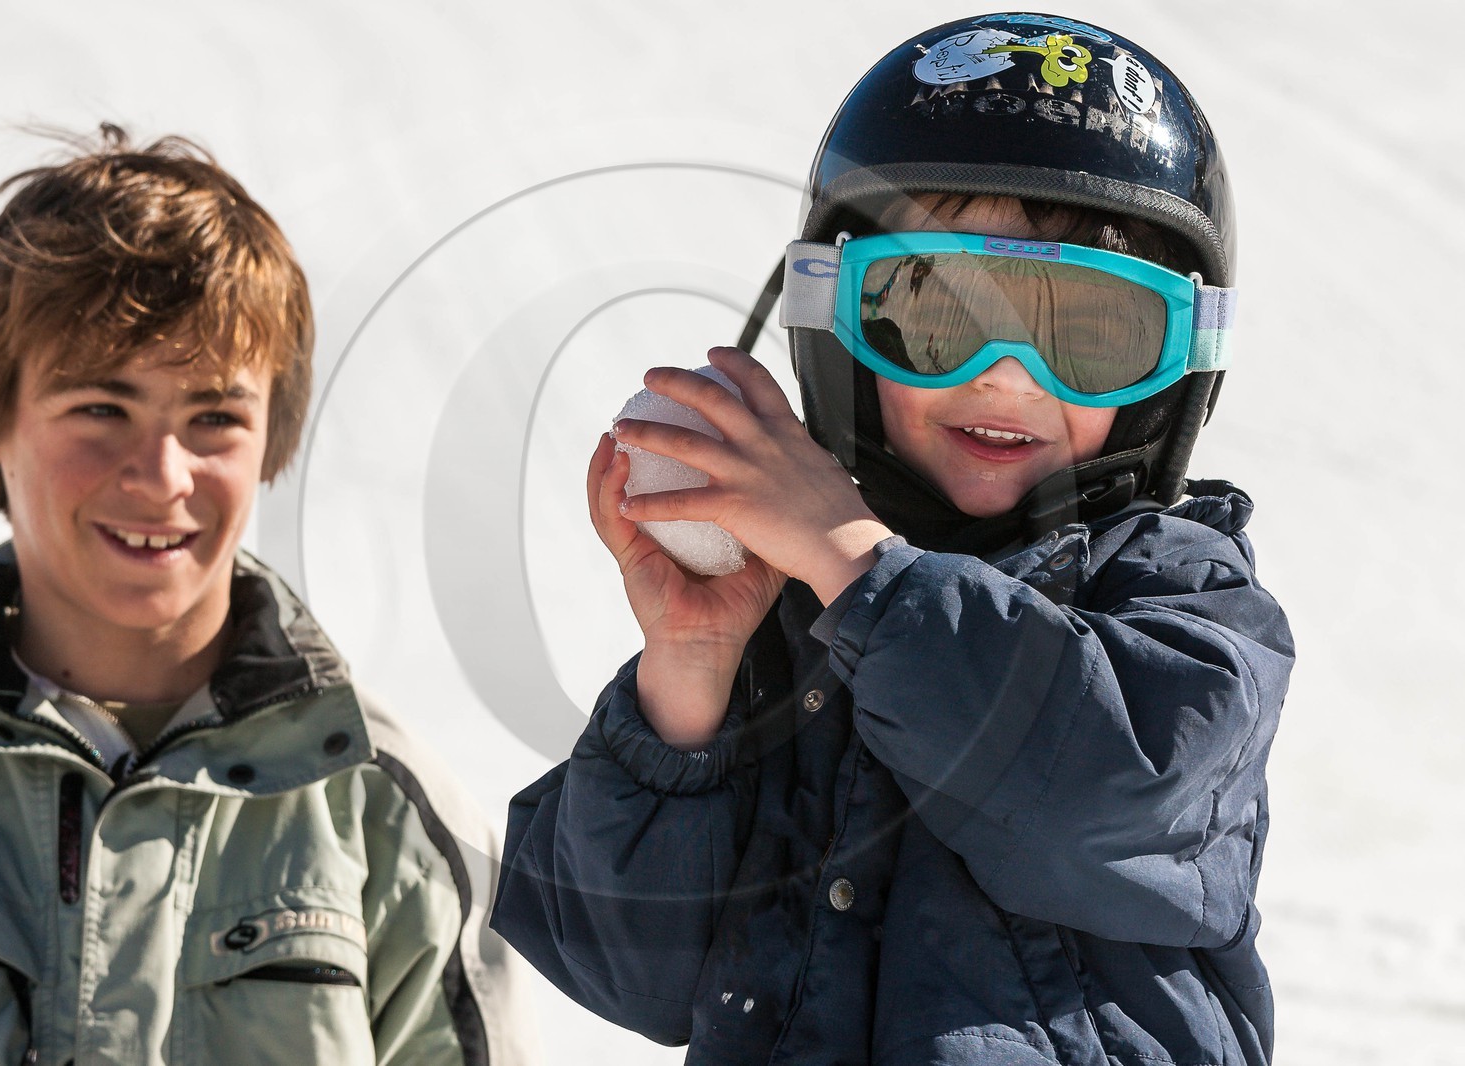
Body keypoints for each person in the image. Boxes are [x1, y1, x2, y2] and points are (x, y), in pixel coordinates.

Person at [491, 12, 1292, 1066]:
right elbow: (628, 967)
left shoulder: (1183, 604)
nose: (1005, 374)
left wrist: (855, 560)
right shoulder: (794, 610)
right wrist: (689, 665)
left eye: (1093, 334)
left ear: (1178, 369)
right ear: (837, 323)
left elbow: (1096, 794)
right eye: (934, 314)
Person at [0, 125, 535, 1066]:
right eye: (102, 408)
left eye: (214, 417)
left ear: (274, 439)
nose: (162, 473)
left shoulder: (385, 805)